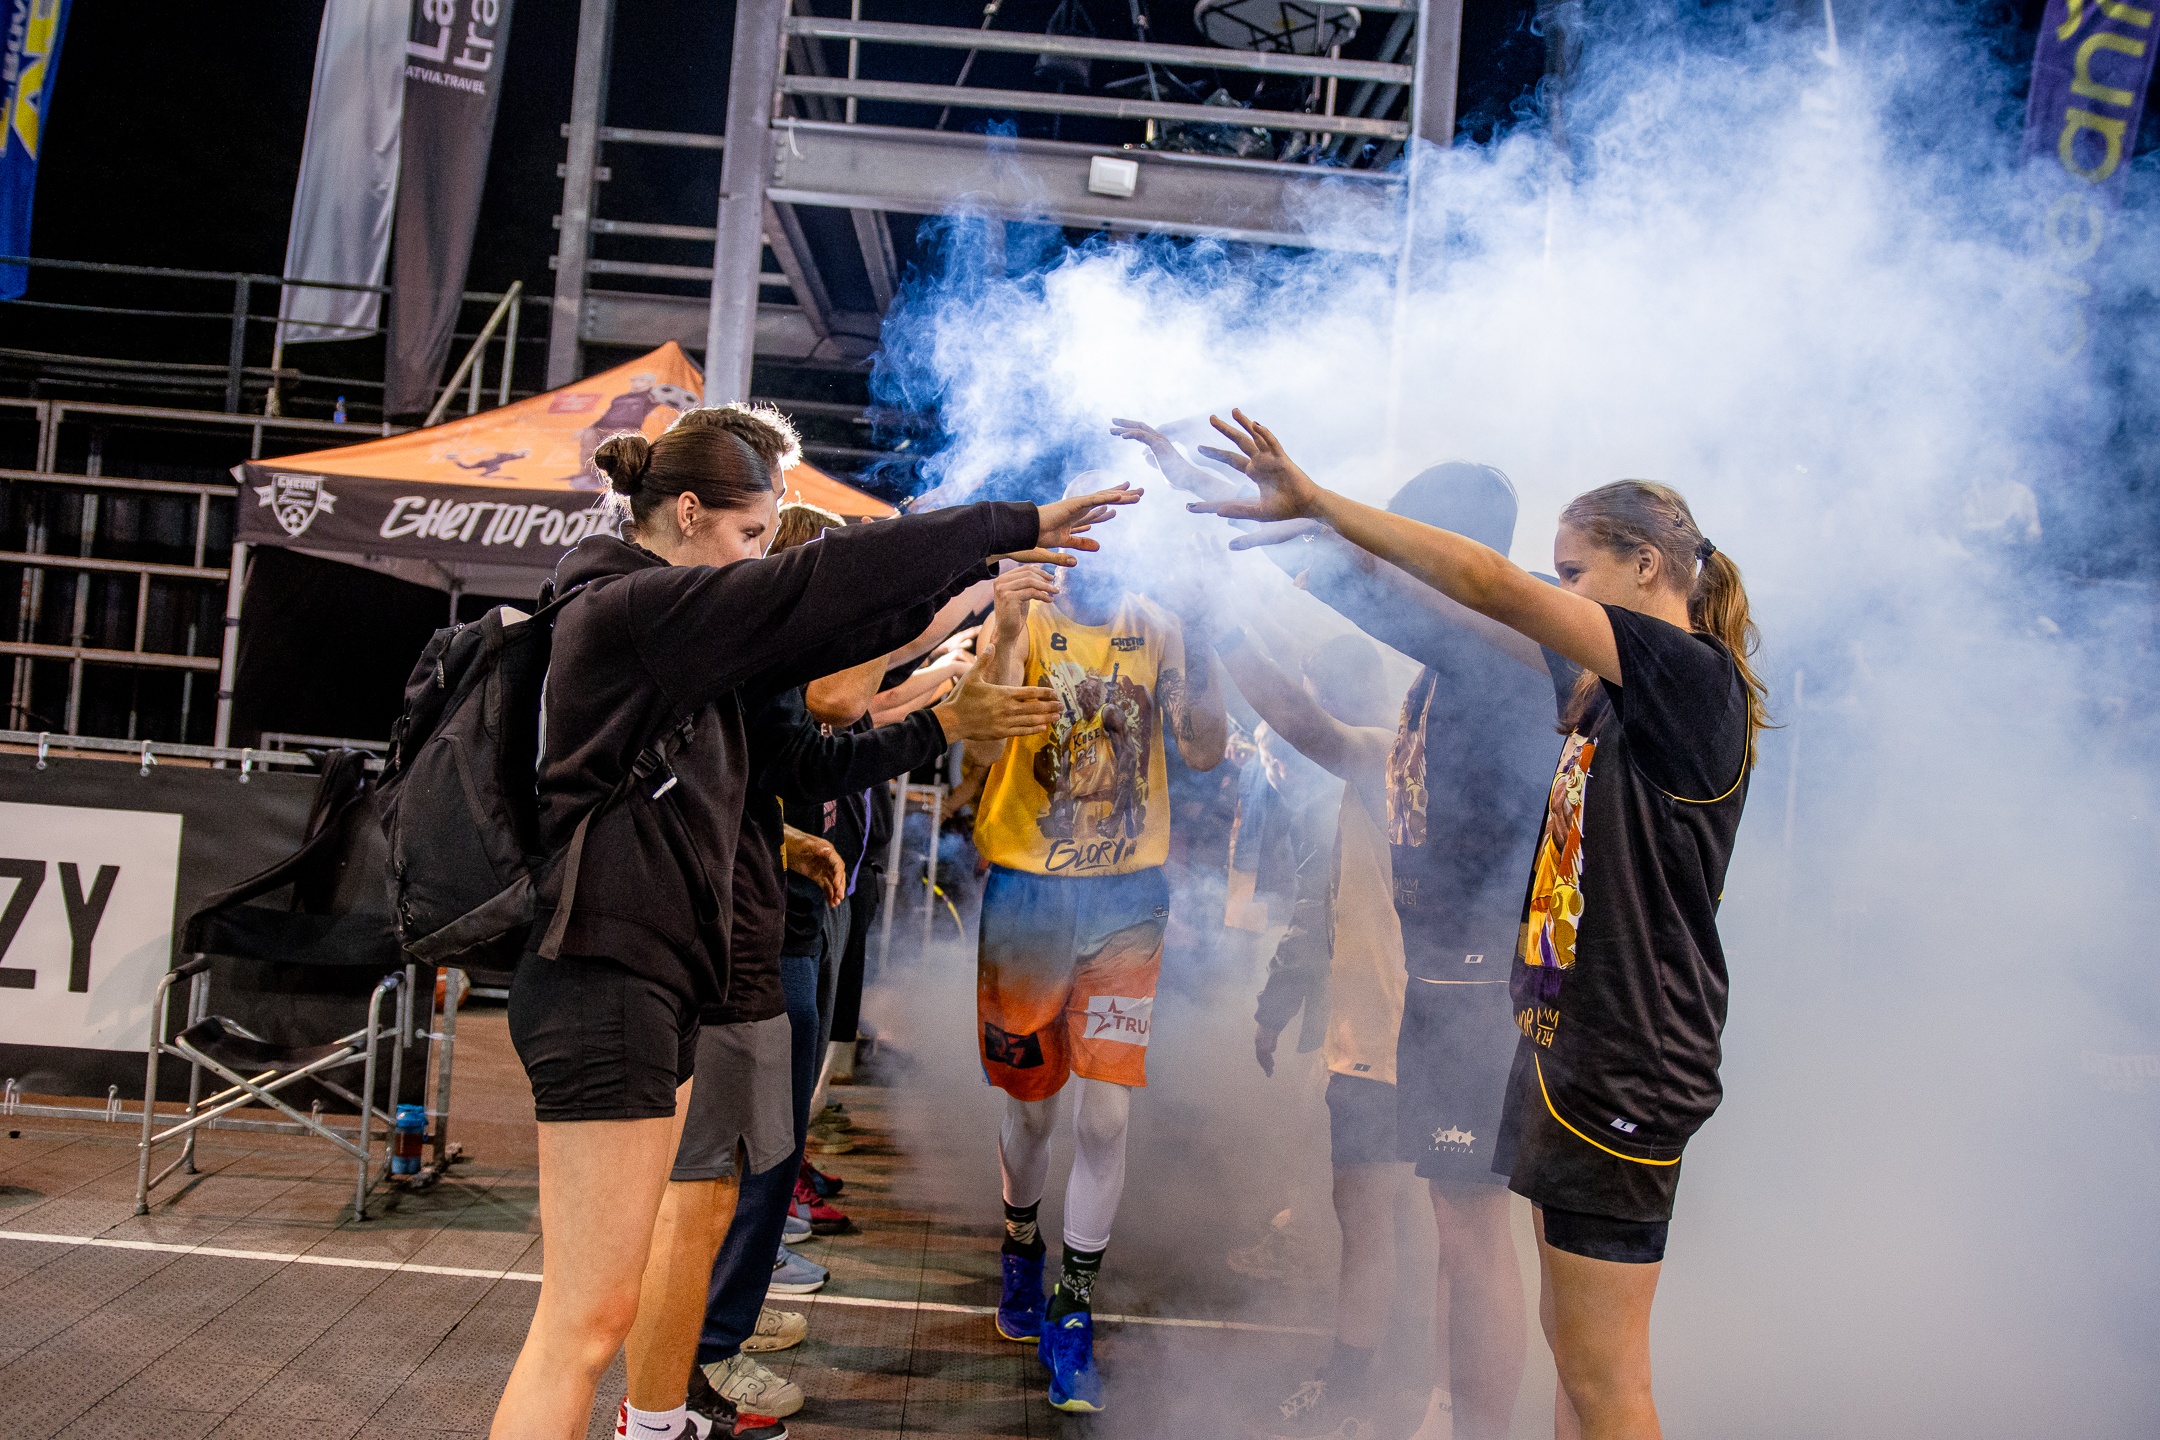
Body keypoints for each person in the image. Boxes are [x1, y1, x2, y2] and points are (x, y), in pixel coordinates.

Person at [491, 402, 1137, 1440]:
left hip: (647, 975)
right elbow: (824, 586)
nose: (762, 555)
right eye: (751, 533)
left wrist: (944, 690)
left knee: (631, 1274)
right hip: (602, 976)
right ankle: (655, 1415)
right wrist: (1003, 528)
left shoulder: (666, 629)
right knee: (584, 1319)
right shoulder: (633, 608)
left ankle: (657, 1421)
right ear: (688, 512)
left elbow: (820, 674)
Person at [1189, 412, 1767, 1440]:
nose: (1560, 590)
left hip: (1628, 1054)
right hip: (1574, 1040)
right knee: (1578, 1357)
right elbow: (1437, 615)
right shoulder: (1610, 690)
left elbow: (1489, 586)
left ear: (1647, 565)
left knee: (1607, 1378)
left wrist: (1320, 503)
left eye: (1574, 573)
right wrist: (1289, 536)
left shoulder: (1688, 676)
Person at [1120, 420, 1550, 1440]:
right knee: (1446, 1225)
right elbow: (1311, 720)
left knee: (1467, 1237)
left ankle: (1458, 1417)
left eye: (1402, 541)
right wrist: (1219, 583)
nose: (1387, 561)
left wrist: (1268, 512)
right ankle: (1426, 1408)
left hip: (1475, 986)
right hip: (1445, 987)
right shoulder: (1450, 678)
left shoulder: (1504, 648)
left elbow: (1354, 594)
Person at [684, 506, 1062, 1428]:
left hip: (796, 910)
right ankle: (706, 1353)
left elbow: (841, 726)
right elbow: (841, 707)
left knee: (768, 1141)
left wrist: (945, 663)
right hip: (768, 926)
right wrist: (966, 602)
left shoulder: (769, 651)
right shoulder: (782, 649)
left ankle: (722, 1321)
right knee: (751, 1149)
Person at [972, 482, 1230, 1415]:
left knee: (1108, 1119)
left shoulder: (1159, 626)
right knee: (1032, 1109)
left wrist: (1208, 634)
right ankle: (1020, 1244)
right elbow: (978, 737)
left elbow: (1203, 750)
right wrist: (1005, 626)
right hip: (1027, 899)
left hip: (1127, 900)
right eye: (1084, 536)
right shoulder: (1024, 616)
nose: (1099, 554)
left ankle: (1072, 1309)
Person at [1213, 625, 1425, 1439]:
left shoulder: (1384, 759)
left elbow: (1303, 726)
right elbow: (1322, 903)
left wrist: (1221, 625)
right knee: (1372, 1209)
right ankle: (1362, 1386)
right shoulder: (1380, 765)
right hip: (1373, 1030)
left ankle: (1398, 1393)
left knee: (1398, 1218)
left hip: (1397, 1031)